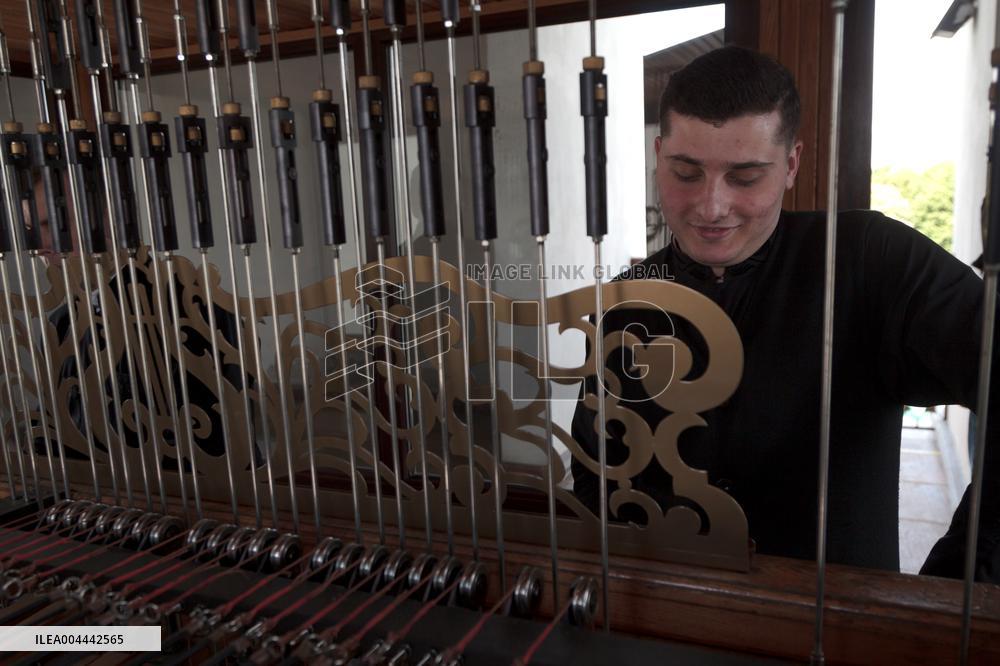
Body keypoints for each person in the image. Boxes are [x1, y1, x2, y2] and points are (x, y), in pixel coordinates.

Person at [571, 45, 999, 581]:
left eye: (745, 178)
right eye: (685, 172)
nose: (711, 207)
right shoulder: (627, 297)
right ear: (659, 156)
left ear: (791, 163)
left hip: (838, 621)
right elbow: (592, 464)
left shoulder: (873, 260)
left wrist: (962, 575)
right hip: (667, 612)